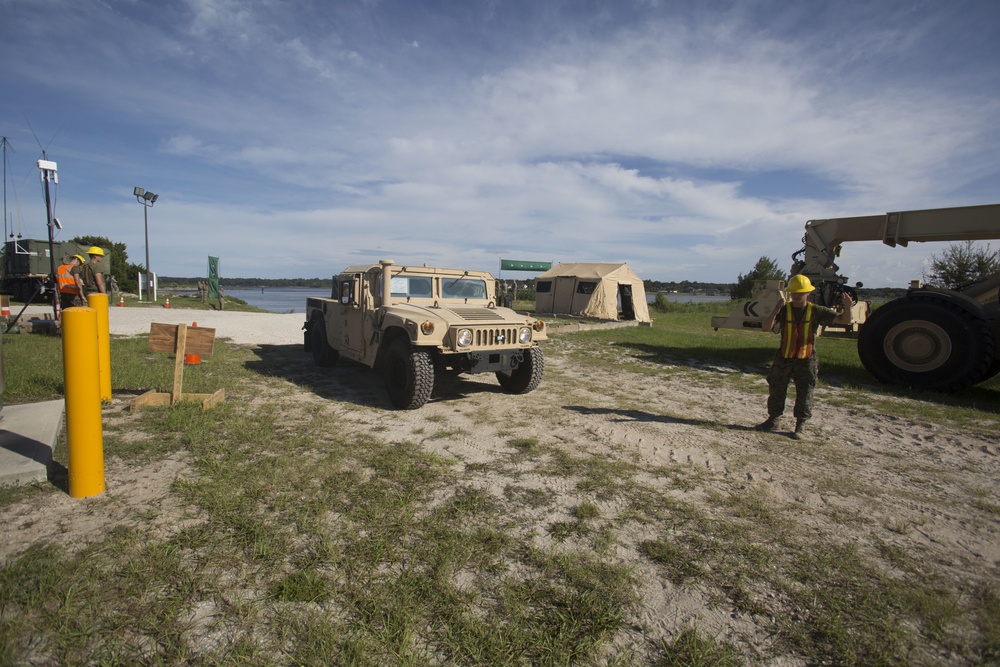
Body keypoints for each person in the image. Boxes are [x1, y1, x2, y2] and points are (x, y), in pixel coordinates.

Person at [754, 274, 854, 440]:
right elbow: (766, 328)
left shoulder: (816, 310)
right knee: (776, 389)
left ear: (808, 293)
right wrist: (776, 309)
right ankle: (773, 420)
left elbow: (844, 320)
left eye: (800, 292)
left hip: (806, 358)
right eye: (794, 292)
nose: (796, 295)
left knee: (805, 391)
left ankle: (800, 426)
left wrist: (848, 307)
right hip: (784, 357)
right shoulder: (784, 310)